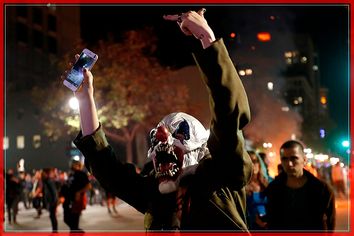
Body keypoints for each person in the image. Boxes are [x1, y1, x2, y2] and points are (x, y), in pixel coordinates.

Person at [67, 8, 252, 231]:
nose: (162, 139)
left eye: (179, 133)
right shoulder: (153, 192)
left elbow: (228, 115)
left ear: (199, 145)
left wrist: (206, 37)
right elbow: (105, 166)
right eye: (155, 137)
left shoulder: (222, 175)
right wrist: (86, 99)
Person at [265, 140, 336, 232]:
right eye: (284, 159)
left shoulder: (321, 189)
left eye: (294, 158)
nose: (289, 164)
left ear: (304, 160)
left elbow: (330, 222)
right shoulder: (273, 188)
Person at [62, 160, 91, 233]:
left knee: (74, 218)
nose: (71, 165)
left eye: (73, 164)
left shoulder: (82, 174)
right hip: (68, 199)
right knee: (66, 219)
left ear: (77, 165)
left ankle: (75, 230)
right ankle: (76, 230)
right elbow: (68, 185)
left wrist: (79, 192)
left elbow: (88, 186)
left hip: (76, 200)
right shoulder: (71, 174)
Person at [245, 151, 268, 230]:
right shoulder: (242, 186)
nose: (253, 165)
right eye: (249, 161)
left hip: (268, 224)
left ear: (259, 163)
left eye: (255, 161)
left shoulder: (267, 182)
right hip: (250, 226)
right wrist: (253, 218)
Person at [42, 168, 59, 233]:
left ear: (47, 174)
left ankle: (55, 231)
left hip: (52, 202)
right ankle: (54, 231)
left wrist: (54, 202)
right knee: (52, 216)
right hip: (51, 202)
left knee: (53, 216)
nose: (42, 174)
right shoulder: (46, 181)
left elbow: (54, 193)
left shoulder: (49, 181)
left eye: (44, 173)